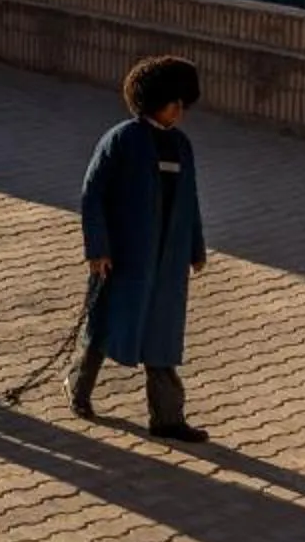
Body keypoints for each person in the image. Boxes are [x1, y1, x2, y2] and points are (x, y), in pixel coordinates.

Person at [73, 55, 210, 442]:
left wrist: (196, 247)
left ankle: (167, 418)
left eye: (183, 104)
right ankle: (78, 388)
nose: (180, 111)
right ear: (153, 102)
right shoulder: (121, 140)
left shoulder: (181, 146)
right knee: (103, 329)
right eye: (174, 103)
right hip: (124, 259)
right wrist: (97, 248)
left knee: (161, 340)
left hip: (167, 264)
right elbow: (93, 195)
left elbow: (190, 201)